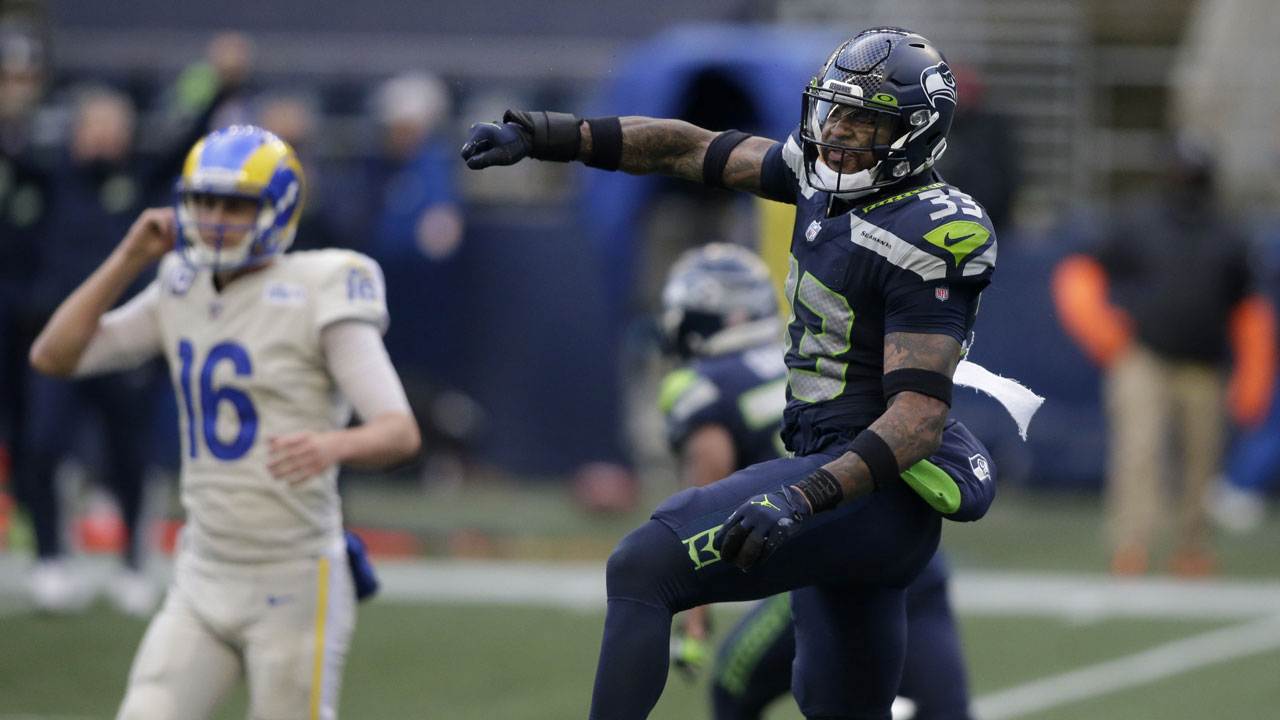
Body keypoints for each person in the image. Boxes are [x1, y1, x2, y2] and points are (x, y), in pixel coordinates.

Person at [464, 26, 999, 719]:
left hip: (868, 492)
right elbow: (690, 148)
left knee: (642, 567)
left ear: (917, 135)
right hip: (844, 492)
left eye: (865, 121)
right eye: (835, 111)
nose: (838, 133)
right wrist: (550, 135)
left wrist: (800, 498)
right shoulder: (820, 178)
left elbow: (919, 420)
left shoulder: (931, 229)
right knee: (836, 706)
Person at [28, 125, 421, 719]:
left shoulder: (322, 287)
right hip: (203, 572)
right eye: (204, 202)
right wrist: (128, 256)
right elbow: (53, 357)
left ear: (279, 208)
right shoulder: (179, 284)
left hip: (293, 577)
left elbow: (399, 432)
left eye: (235, 204)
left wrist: (330, 445)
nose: (215, 219)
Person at [657, 244, 981, 720]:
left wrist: (694, 624)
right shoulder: (806, 355)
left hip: (820, 554)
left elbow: (704, 503)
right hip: (908, 551)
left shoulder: (701, 386)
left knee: (733, 688)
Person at [1052, 138, 1276, 577]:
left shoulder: (1228, 233)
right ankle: (1131, 544)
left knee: (1200, 460)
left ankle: (1191, 547)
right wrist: (1104, 333)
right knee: (1139, 452)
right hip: (1144, 356)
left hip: (1204, 363)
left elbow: (1249, 310)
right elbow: (1083, 275)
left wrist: (1253, 377)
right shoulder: (1139, 220)